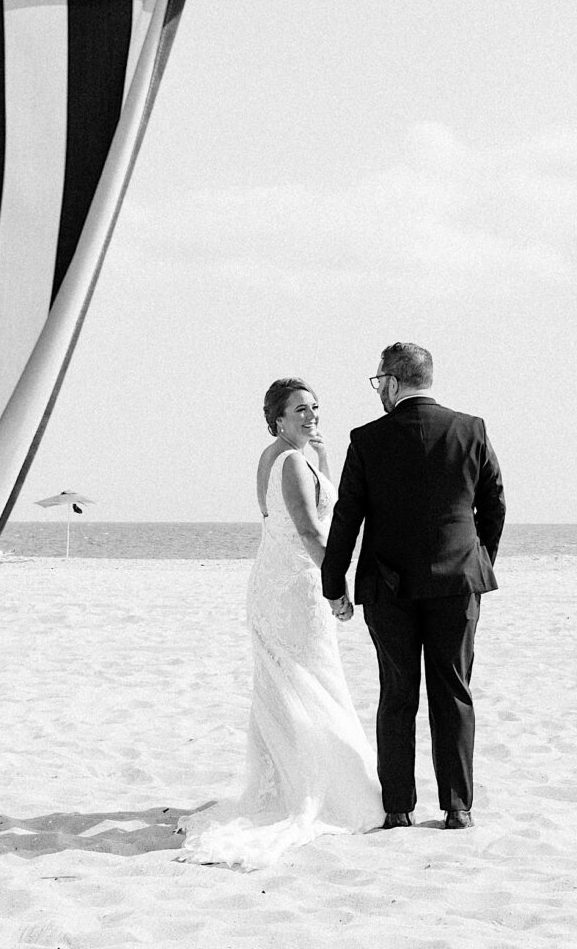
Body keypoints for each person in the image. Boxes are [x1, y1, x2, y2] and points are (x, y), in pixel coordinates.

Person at [178, 378, 382, 868]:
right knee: (311, 682)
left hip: (273, 582)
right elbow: (311, 528)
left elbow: (297, 513)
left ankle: (289, 779)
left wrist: (323, 458)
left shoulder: (278, 455)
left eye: (315, 408)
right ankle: (319, 788)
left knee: (287, 684)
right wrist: (337, 587)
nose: (312, 416)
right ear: (278, 418)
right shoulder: (290, 462)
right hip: (295, 589)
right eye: (300, 411)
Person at [322, 343, 505, 830]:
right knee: (454, 692)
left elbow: (348, 516)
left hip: (389, 587)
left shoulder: (366, 439)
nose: (377, 390)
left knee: (397, 694)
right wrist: (479, 559)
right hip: (458, 583)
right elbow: (494, 505)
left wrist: (333, 581)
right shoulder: (471, 429)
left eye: (377, 381)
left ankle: (399, 808)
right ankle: (457, 808)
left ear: (393, 381)